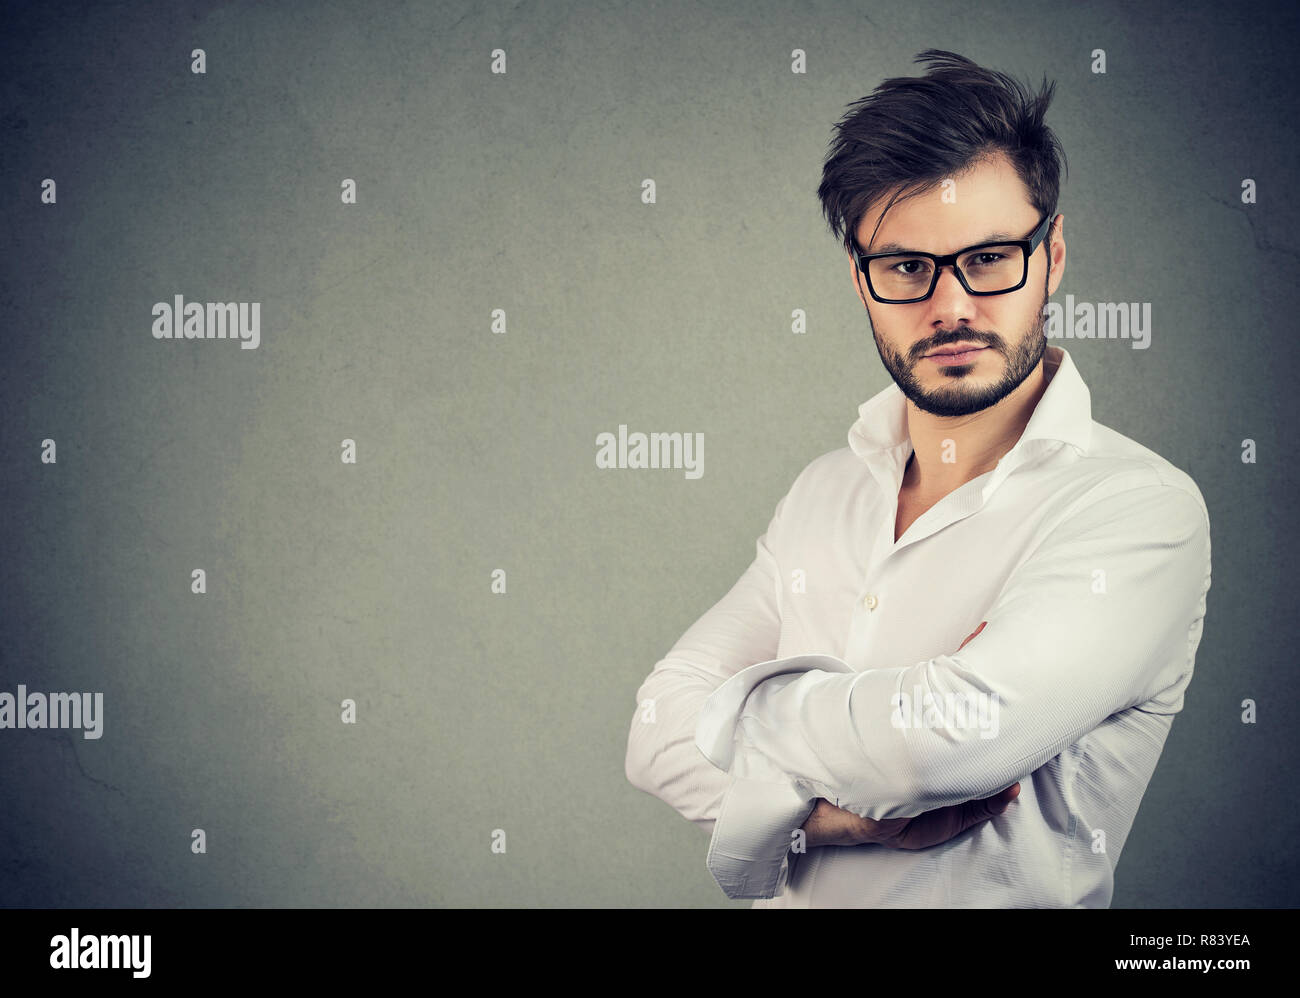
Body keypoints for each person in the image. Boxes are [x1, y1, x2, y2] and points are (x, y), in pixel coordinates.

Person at [623, 50, 1212, 908]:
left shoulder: (1137, 508)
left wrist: (746, 719)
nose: (952, 307)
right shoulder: (825, 491)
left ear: (1051, 255)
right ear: (862, 282)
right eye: (906, 267)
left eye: (988, 258)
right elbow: (651, 733)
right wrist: (834, 818)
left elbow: (943, 747)